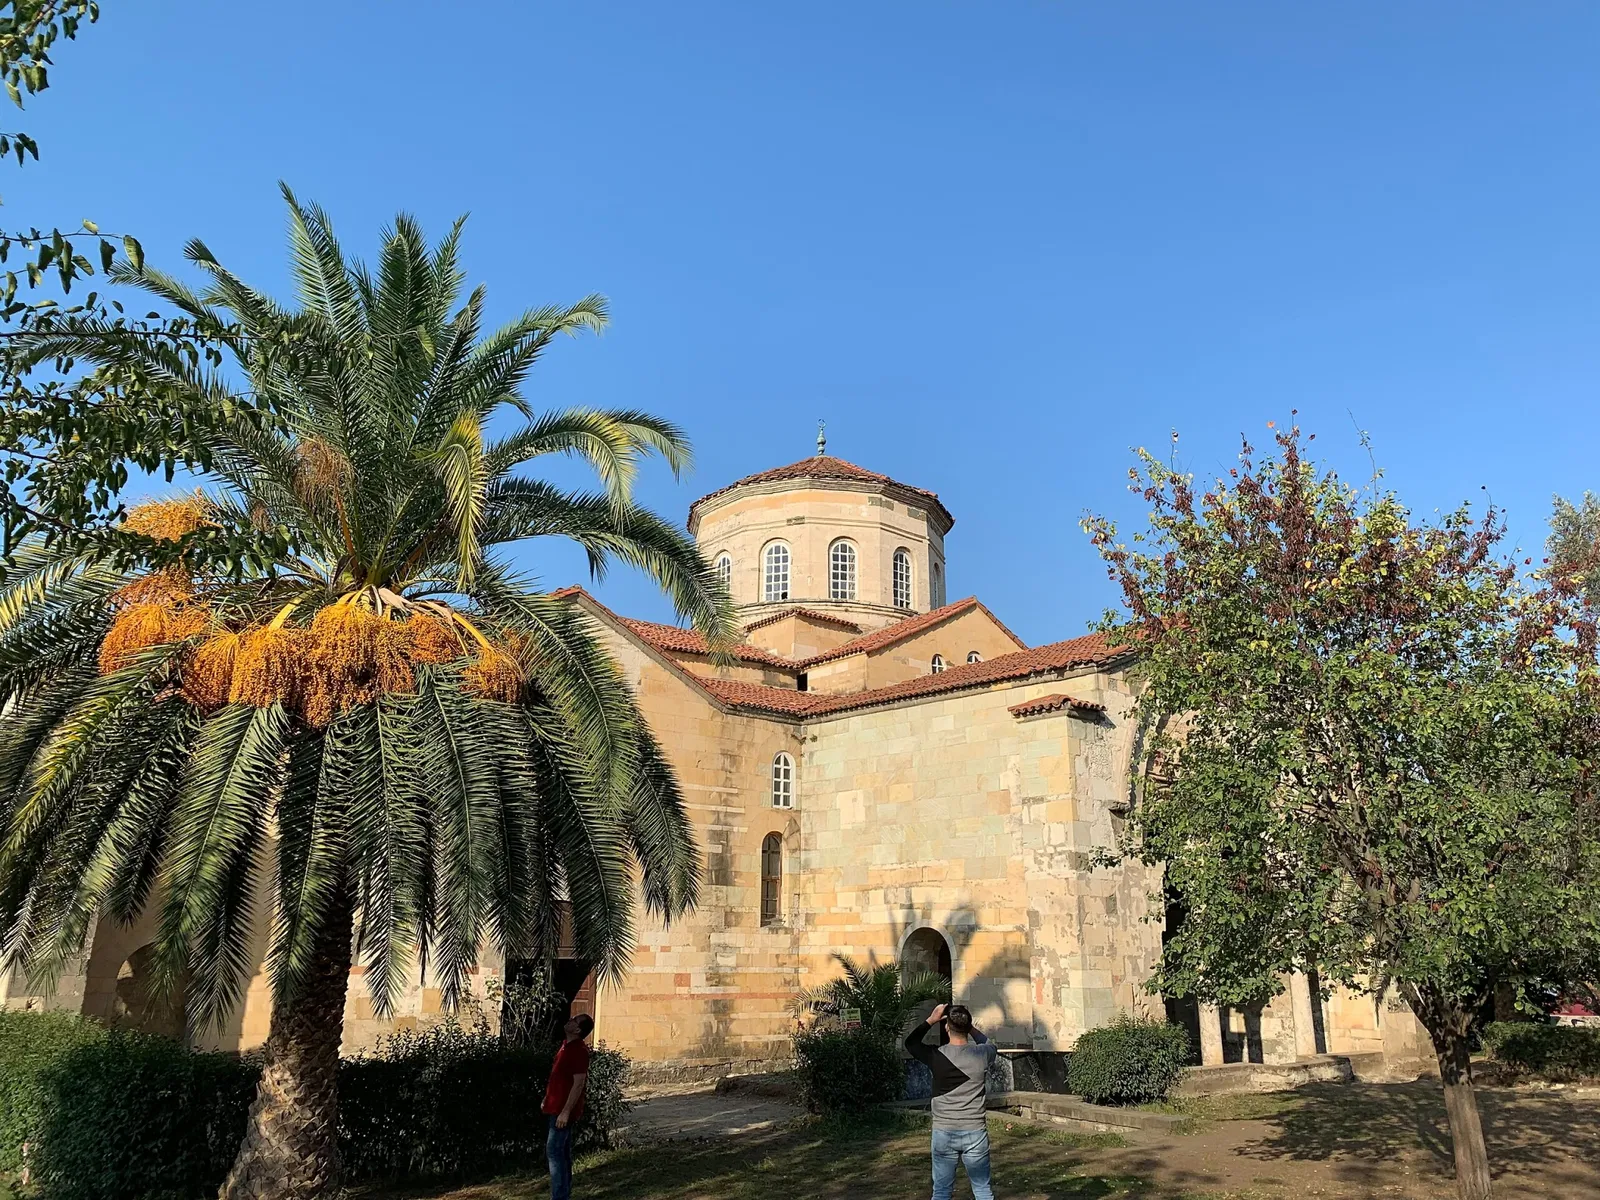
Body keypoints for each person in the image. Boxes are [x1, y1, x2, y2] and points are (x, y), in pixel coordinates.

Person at [903, 1002, 997, 1200]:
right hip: (975, 1131)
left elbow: (911, 1043)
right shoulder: (982, 1054)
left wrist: (931, 1019)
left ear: (946, 1027)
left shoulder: (936, 1055)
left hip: (944, 1132)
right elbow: (989, 1042)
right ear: (967, 1027)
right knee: (982, 1190)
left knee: (942, 1192)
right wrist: (968, 1025)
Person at [542, 1012, 594, 1200]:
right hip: (554, 1106)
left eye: (575, 1021)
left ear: (578, 1030)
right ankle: (563, 1194)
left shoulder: (579, 1051)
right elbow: (557, 1077)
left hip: (562, 1111)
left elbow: (578, 1083)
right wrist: (547, 1098)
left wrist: (565, 1112)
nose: (570, 1020)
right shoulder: (566, 1046)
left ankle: (560, 1196)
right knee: (560, 1153)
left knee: (555, 1153)